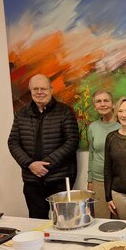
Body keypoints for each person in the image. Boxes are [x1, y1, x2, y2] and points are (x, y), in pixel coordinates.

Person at [8, 74, 79, 219]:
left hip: (59, 178)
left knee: (64, 220)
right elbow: (13, 142)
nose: (39, 92)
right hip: (32, 179)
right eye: (35, 89)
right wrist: (30, 164)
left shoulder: (65, 111)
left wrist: (46, 165)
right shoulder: (21, 114)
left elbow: (72, 141)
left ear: (51, 89)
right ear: (30, 90)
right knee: (36, 221)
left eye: (43, 88)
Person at [87, 90, 120, 219]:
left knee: (119, 220)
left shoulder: (122, 124)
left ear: (113, 104)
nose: (102, 104)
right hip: (98, 180)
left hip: (118, 181)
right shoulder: (93, 127)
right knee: (101, 219)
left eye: (106, 101)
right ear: (95, 106)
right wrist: (90, 180)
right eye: (98, 101)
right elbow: (91, 154)